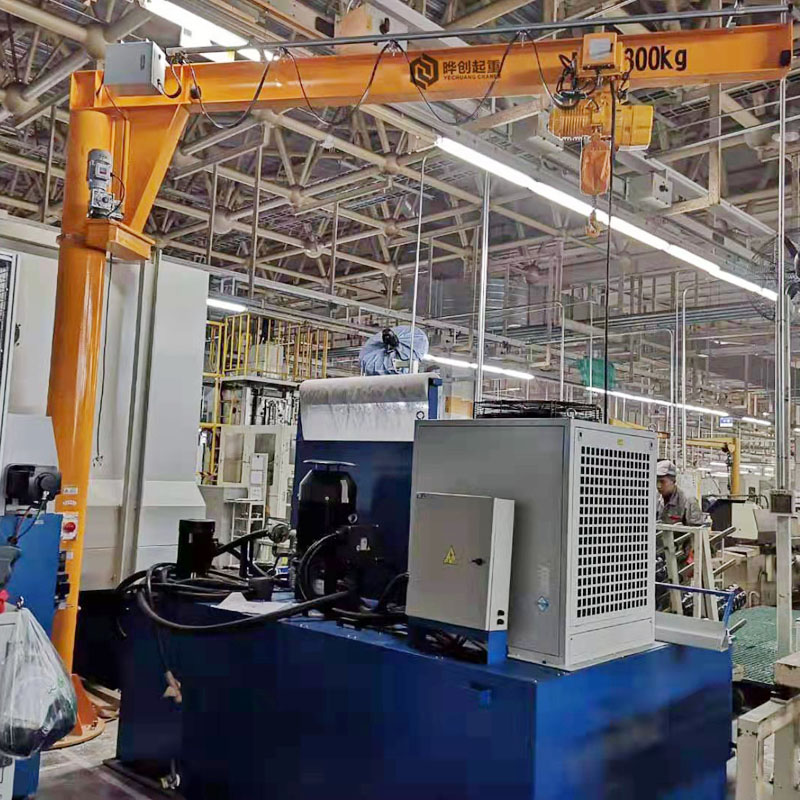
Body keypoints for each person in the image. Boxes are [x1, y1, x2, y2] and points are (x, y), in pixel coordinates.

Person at [656, 460, 704, 525]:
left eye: (662, 482)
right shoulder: (654, 498)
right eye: (657, 481)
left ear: (673, 481)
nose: (658, 486)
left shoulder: (688, 501)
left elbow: (696, 529)